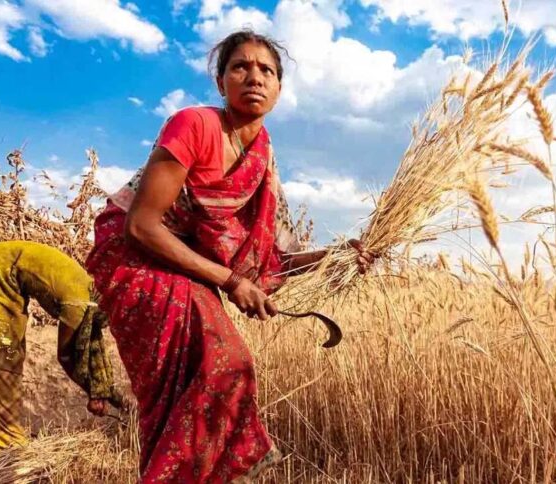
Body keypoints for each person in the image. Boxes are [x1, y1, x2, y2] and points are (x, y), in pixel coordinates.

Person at [85, 29, 373, 483]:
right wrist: (230, 281)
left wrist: (337, 256)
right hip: (133, 255)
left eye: (267, 70)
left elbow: (274, 256)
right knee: (227, 360)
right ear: (221, 82)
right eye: (240, 66)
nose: (254, 76)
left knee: (182, 395)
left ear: (279, 88)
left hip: (185, 266)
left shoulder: (263, 156)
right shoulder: (194, 125)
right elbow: (140, 225)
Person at [0, 240, 123, 456]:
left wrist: (104, 392)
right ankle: (6, 451)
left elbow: (89, 347)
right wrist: (96, 394)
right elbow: (66, 356)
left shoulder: (90, 290)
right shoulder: (79, 305)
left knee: (4, 357)